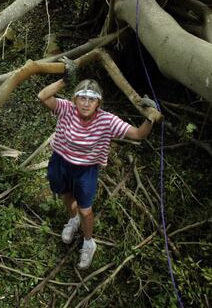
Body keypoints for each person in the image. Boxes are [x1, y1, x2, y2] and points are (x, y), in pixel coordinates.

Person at [37, 58, 158, 269]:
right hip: (60, 161)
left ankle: (88, 242)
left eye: (91, 99)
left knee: (86, 210)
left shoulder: (107, 120)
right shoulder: (66, 109)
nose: (85, 103)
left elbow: (138, 135)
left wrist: (150, 118)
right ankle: (72, 221)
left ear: (98, 103)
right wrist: (65, 81)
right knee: (66, 195)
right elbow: (43, 96)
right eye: (81, 98)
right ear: (74, 99)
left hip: (86, 170)